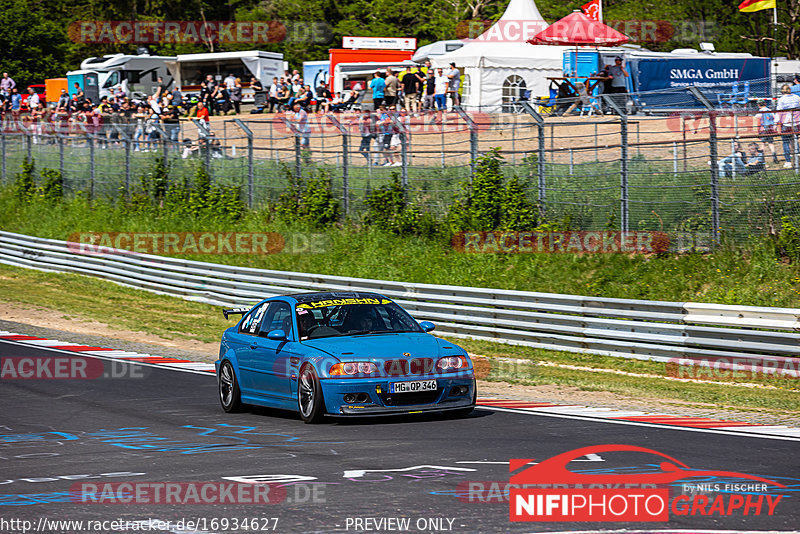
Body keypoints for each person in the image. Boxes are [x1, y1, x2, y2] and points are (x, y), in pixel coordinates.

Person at [776, 84, 800, 168]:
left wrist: (778, 125)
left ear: (782, 91)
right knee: (795, 140)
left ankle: (788, 161)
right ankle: (797, 157)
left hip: (786, 123)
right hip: (797, 122)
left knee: (786, 142)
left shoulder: (782, 99)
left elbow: (779, 113)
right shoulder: (797, 97)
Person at [757, 100, 780, 164]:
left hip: (764, 129)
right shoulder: (770, 110)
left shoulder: (760, 111)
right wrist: (774, 128)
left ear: (758, 105)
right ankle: (774, 154)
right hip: (770, 129)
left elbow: (759, 121)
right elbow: (774, 119)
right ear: (765, 104)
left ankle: (762, 158)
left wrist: (758, 130)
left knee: (763, 143)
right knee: (771, 143)